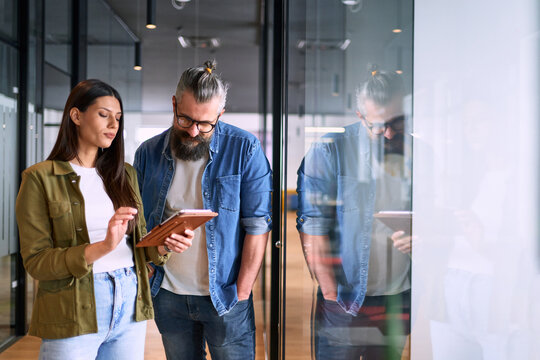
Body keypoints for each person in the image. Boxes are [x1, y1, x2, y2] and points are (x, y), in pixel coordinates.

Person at [15, 79, 193, 360]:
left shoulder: (126, 174)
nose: (114, 124)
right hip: (72, 307)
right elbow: (37, 262)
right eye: (103, 114)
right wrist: (103, 246)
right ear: (76, 116)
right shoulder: (39, 178)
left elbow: (139, 245)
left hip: (130, 300)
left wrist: (163, 245)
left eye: (118, 117)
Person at [133, 60, 272, 360]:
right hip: (167, 293)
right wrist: (151, 258)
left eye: (206, 124)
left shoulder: (245, 148)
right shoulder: (148, 153)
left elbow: (258, 225)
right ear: (174, 104)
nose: (194, 131)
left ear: (220, 114)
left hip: (225, 296)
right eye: (185, 120)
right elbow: (138, 223)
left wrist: (242, 291)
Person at [296, 71, 412, 359]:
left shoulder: (418, 152)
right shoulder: (329, 149)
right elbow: (313, 223)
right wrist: (330, 292)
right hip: (344, 299)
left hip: (396, 296)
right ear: (360, 115)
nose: (388, 133)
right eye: (378, 126)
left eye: (396, 123)